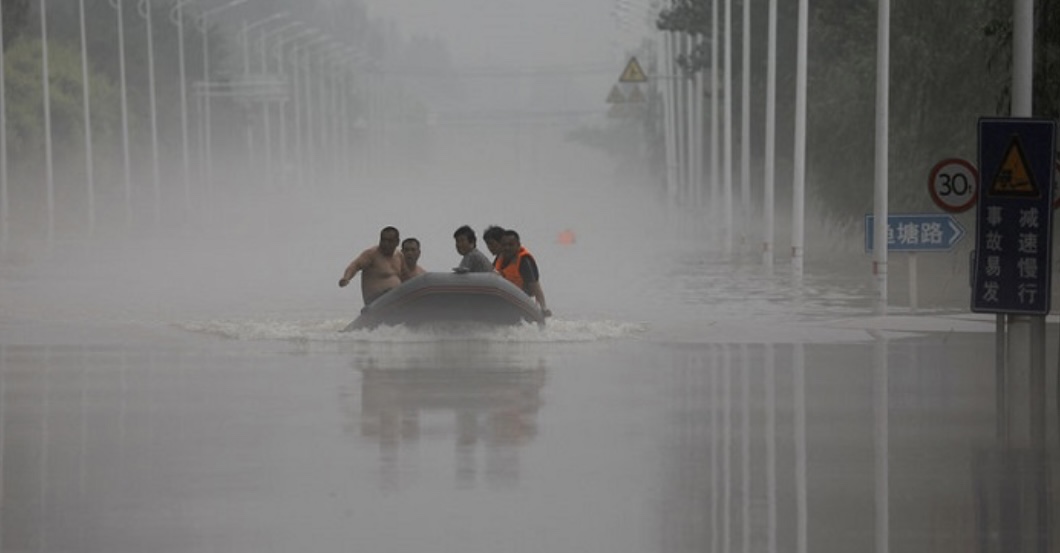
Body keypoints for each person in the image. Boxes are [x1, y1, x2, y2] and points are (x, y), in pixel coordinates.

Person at [338, 226, 405, 305]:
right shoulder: (371, 254)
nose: (385, 244)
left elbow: (405, 275)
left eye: (390, 241)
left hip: (395, 301)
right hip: (375, 301)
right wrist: (346, 278)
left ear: (397, 242)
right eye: (383, 240)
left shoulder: (399, 256)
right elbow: (354, 266)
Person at [495, 229, 551, 317]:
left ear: (518, 245)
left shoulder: (524, 261)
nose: (507, 248)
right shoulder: (499, 257)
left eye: (511, 245)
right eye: (504, 245)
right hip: (505, 298)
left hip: (523, 300)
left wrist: (543, 308)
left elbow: (535, 286)